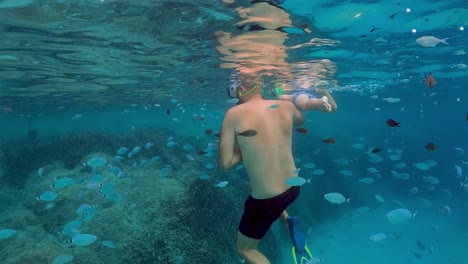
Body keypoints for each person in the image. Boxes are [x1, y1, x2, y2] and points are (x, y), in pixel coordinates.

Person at [218, 74, 310, 264]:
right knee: (259, 188)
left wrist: (245, 146)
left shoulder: (233, 114)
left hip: (268, 201)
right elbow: (301, 120)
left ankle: (283, 221)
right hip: (293, 189)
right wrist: (286, 97)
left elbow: (225, 164)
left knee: (245, 249)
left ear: (241, 89)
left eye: (233, 90)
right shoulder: (285, 106)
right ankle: (291, 224)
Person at [273, 83, 338, 112]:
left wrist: (277, 87)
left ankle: (320, 101)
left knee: (305, 105)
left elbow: (279, 96)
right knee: (333, 109)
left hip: (298, 96)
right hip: (311, 99)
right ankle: (323, 92)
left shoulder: (285, 97)